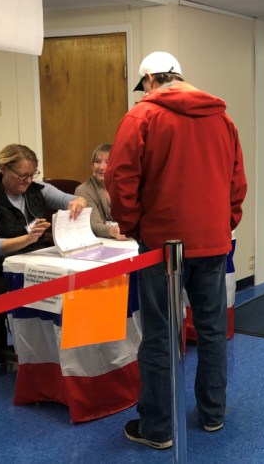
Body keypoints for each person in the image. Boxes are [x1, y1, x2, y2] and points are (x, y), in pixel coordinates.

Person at [106, 51, 247, 450]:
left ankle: (158, 428)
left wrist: (133, 227)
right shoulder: (222, 119)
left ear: (149, 80)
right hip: (213, 241)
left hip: (162, 245)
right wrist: (224, 223)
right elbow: (237, 182)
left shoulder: (142, 118)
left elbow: (121, 179)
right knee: (212, 330)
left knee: (160, 335)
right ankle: (213, 413)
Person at [0, 144, 87, 298]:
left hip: (28, 264)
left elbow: (72, 200)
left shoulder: (38, 189)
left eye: (32, 175)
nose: (29, 180)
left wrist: (79, 201)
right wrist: (28, 238)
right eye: (23, 175)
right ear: (3, 168)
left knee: (68, 288)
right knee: (43, 296)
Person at [74, 144, 127, 240]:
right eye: (97, 162)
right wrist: (112, 231)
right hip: (98, 242)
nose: (101, 167)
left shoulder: (124, 186)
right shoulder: (83, 190)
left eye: (108, 162)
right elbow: (93, 225)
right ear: (92, 165)